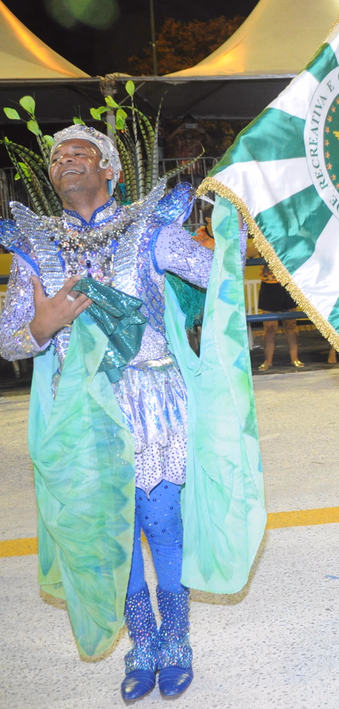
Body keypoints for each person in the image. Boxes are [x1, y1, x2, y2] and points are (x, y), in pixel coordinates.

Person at [0, 125, 263, 700]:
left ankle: (177, 639)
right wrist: (42, 326)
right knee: (106, 532)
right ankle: (142, 641)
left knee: (161, 525)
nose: (66, 160)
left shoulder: (148, 228)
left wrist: (234, 220)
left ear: (110, 169)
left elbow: (218, 274)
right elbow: (8, 337)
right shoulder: (35, 247)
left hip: (151, 401)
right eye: (57, 156)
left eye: (80, 152)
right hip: (80, 411)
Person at [254, 253, 303, 370]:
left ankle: (295, 358)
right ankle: (268, 361)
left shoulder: (288, 240)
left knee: (290, 324)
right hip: (269, 285)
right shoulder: (262, 240)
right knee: (270, 327)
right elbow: (250, 253)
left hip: (288, 282)